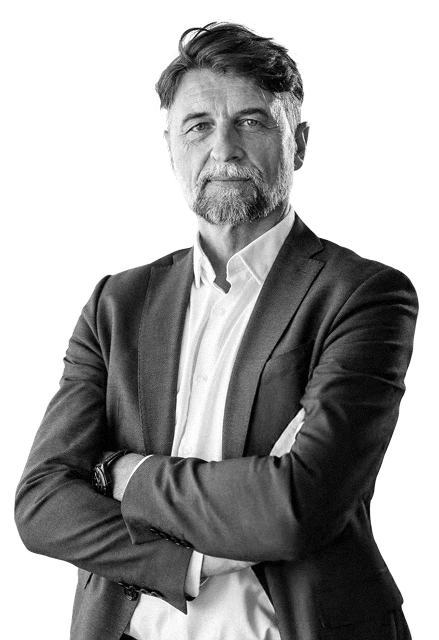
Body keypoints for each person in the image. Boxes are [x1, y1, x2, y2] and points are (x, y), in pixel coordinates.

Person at [15, 21, 417, 640]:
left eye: (251, 121)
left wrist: (124, 475)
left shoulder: (361, 296)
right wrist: (185, 564)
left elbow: (296, 507)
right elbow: (41, 503)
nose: (224, 148)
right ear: (171, 148)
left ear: (300, 141)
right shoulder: (119, 303)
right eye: (198, 126)